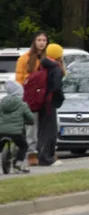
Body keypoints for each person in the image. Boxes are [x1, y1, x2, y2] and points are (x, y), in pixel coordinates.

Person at [15, 31, 48, 166]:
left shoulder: (50, 58)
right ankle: (31, 153)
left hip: (47, 96)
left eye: (44, 40)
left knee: (48, 125)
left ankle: (47, 151)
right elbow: (19, 79)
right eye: (39, 40)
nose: (41, 43)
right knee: (31, 126)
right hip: (31, 97)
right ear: (34, 42)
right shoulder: (25, 58)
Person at [34, 44, 66, 167]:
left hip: (41, 100)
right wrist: (60, 99)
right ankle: (47, 158)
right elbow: (56, 87)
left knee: (42, 130)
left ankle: (41, 155)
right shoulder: (56, 68)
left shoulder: (42, 64)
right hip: (49, 101)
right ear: (58, 55)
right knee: (51, 130)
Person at [0, 81, 33, 173]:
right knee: (23, 146)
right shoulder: (23, 104)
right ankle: (17, 165)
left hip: (1, 131)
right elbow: (30, 118)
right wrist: (27, 121)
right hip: (16, 133)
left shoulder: (2, 103)